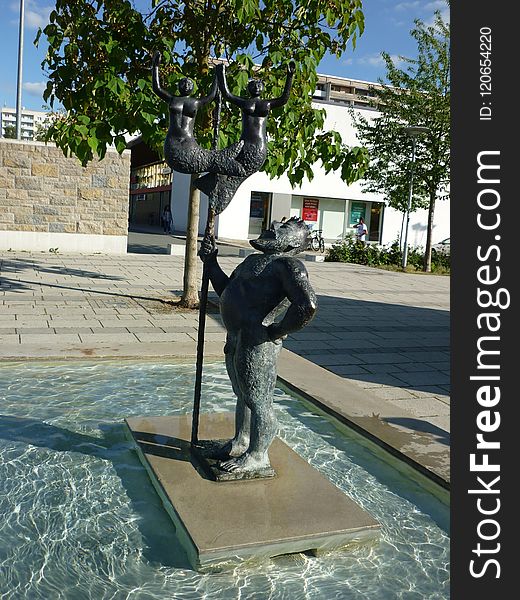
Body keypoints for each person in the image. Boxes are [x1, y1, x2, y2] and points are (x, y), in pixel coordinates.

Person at [199, 217, 317, 475]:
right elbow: (227, 290)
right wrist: (211, 263)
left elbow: (307, 305)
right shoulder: (252, 261)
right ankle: (241, 441)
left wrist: (278, 330)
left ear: (294, 243)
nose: (273, 226)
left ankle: (258, 455)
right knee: (242, 394)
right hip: (236, 337)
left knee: (258, 399)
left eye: (283, 228)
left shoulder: (289, 265)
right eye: (276, 223)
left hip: (257, 342)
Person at [194, 61, 295, 213]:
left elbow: (283, 99)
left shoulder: (266, 104)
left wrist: (290, 76)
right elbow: (226, 93)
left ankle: (215, 191)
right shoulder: (244, 102)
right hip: (243, 144)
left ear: (263, 89)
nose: (256, 86)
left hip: (258, 147)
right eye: (253, 84)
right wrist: (220, 73)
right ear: (248, 88)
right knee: (227, 168)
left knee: (238, 173)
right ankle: (213, 189)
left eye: (259, 84)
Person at [152, 52, 245, 176]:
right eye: (183, 83)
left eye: (189, 83)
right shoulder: (173, 99)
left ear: (192, 88)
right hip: (172, 142)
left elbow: (211, 95)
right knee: (211, 159)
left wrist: (218, 76)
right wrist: (155, 66)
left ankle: (228, 166)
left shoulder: (195, 102)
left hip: (189, 143)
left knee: (211, 159)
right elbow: (157, 88)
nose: (186, 85)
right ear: (178, 86)